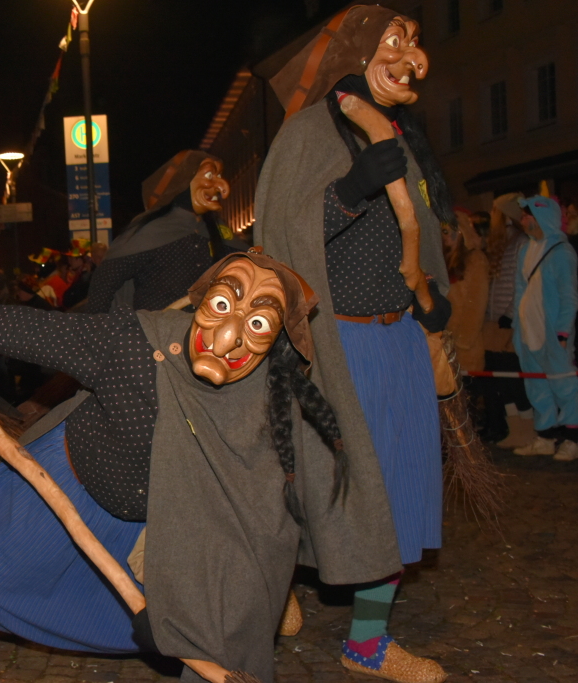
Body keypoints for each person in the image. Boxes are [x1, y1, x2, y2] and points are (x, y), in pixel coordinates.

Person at [0, 252, 397, 683]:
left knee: (216, 620)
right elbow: (28, 331)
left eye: (256, 324)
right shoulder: (131, 344)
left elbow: (270, 508)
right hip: (66, 487)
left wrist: (252, 589)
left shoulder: (275, 396)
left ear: (276, 342)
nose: (225, 337)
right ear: (202, 301)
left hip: (159, 523)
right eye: (222, 306)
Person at [260, 6, 453, 681]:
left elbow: (418, 229)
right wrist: (351, 186)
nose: (412, 56)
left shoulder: (400, 133)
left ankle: (367, 641)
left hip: (396, 343)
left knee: (396, 488)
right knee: (317, 487)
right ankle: (276, 582)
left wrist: (433, 304)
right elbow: (285, 235)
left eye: (416, 41)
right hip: (335, 347)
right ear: (356, 53)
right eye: (394, 42)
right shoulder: (310, 132)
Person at [86, 151, 248, 314]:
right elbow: (104, 284)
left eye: (219, 175)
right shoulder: (151, 230)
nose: (222, 186)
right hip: (156, 334)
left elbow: (250, 268)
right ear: (184, 181)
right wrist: (99, 329)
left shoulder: (218, 232)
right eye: (209, 175)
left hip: (208, 334)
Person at [503, 195, 578, 460]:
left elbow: (569, 296)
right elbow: (519, 289)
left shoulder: (561, 252)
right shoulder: (526, 249)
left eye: (528, 215)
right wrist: (517, 329)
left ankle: (572, 439)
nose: (523, 220)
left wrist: (563, 333)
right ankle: (546, 437)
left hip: (552, 333)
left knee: (564, 385)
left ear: (542, 217)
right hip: (528, 330)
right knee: (537, 386)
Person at [481, 193, 533, 446]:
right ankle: (516, 430)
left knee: (514, 380)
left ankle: (527, 429)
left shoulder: (521, 242)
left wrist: (509, 315)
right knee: (501, 378)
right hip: (494, 321)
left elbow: (521, 284)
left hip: (507, 322)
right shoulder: (501, 244)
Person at [444, 209, 489, 375]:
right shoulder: (442, 261)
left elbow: (476, 304)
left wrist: (462, 341)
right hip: (444, 346)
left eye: (449, 231)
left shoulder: (475, 259)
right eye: (443, 231)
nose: (446, 236)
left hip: (465, 349)